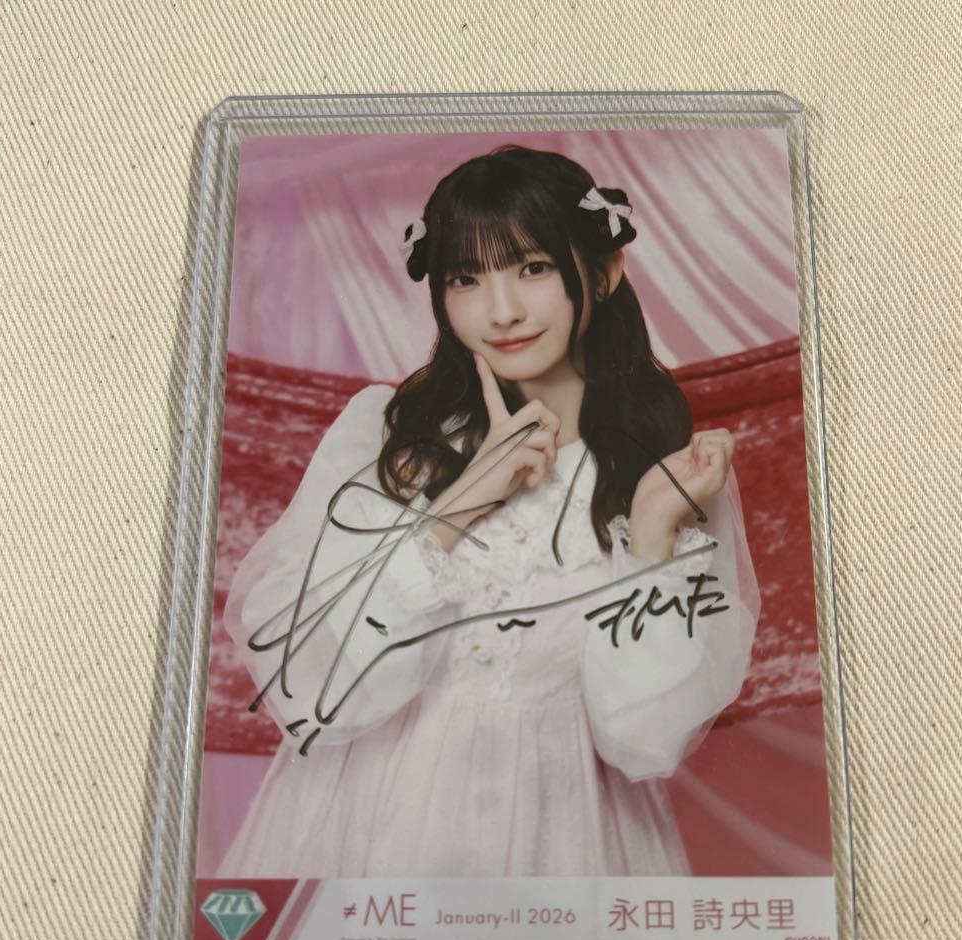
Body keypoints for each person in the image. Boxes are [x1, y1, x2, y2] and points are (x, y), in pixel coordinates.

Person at [215, 145, 761, 878]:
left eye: (533, 268)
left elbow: (644, 740)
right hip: (356, 832)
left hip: (562, 841)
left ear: (604, 272)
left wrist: (652, 539)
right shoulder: (387, 437)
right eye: (466, 279)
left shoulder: (662, 474)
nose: (502, 312)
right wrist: (459, 505)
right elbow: (310, 689)